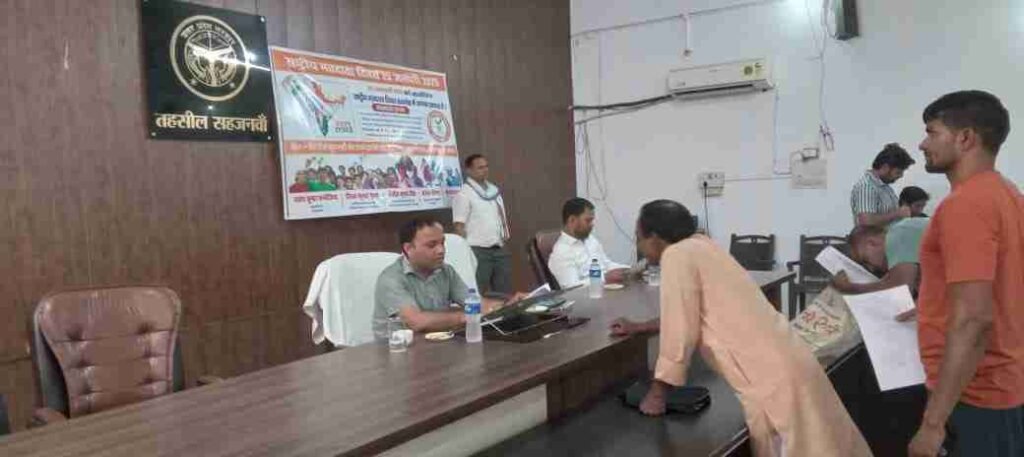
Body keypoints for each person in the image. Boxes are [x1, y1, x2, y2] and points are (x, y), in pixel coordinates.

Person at [610, 200, 871, 456]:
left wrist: (657, 394)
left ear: (655, 237)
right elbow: (693, 311)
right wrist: (641, 326)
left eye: (639, 238)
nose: (639, 247)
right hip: (791, 359)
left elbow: (680, 331)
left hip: (769, 378)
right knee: (828, 442)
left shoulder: (676, 256)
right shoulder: (703, 245)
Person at [907, 90, 1023, 457]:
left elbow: (974, 318)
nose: (923, 144)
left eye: (932, 132)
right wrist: (931, 308)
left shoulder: (966, 204)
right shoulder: (1007, 194)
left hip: (974, 396)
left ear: (965, 138)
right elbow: (999, 289)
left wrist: (933, 423)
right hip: (1004, 385)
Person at [373, 217, 516, 339]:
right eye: (432, 245)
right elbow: (416, 322)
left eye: (442, 243)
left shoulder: (446, 271)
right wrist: (466, 316)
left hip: (436, 343)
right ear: (408, 248)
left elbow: (476, 304)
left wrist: (510, 305)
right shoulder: (391, 279)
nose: (441, 250)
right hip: (395, 351)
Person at [452, 154, 513, 294]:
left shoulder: (494, 191)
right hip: (478, 252)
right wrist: (464, 253)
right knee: (478, 293)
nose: (485, 170)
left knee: (505, 293)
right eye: (480, 168)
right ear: (469, 171)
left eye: (486, 166)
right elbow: (459, 226)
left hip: (499, 248)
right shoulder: (464, 194)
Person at [833, 218, 929, 297]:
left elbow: (901, 290)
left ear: (872, 243)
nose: (871, 268)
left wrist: (850, 288)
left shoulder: (897, 235)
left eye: (865, 261)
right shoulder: (904, 240)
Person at [547, 198, 630, 288]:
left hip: (607, 289)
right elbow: (571, 287)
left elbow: (606, 264)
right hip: (589, 294)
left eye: (592, 220)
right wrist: (604, 278)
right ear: (572, 220)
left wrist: (628, 270)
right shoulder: (561, 252)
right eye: (588, 220)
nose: (592, 224)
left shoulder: (591, 240)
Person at [850, 143, 917, 227]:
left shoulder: (886, 188)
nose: (901, 176)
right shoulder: (866, 187)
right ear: (885, 167)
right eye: (898, 172)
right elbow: (866, 221)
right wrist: (897, 213)